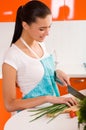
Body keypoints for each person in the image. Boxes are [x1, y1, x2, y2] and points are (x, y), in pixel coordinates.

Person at [2, 0, 77, 113]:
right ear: (25, 25)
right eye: (42, 29)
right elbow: (10, 105)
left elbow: (37, 72)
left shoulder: (40, 44)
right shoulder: (12, 56)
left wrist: (56, 74)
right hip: (31, 115)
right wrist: (47, 98)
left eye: (49, 27)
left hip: (51, 112)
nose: (47, 33)